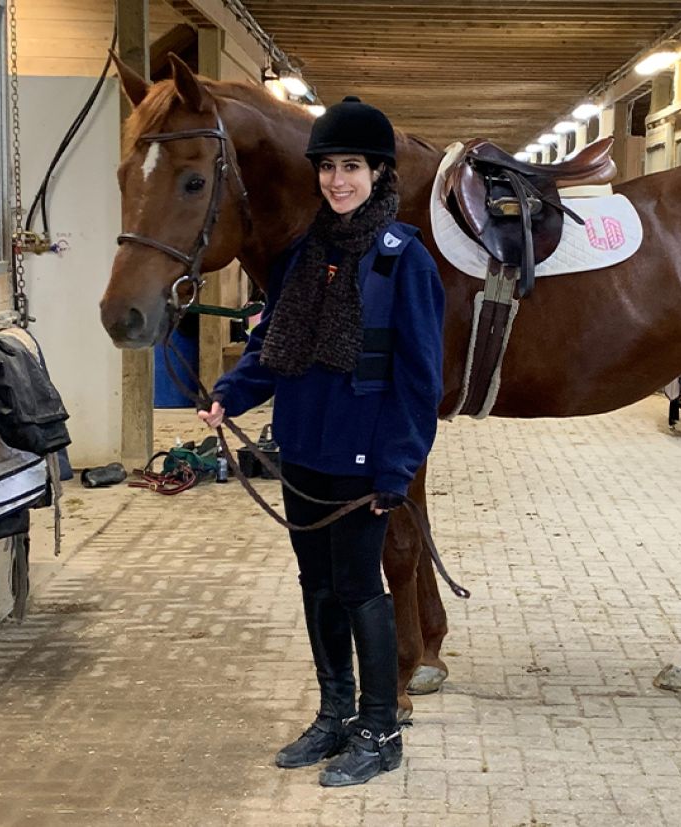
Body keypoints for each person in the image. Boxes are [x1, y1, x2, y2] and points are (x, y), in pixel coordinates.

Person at [198, 96, 445, 787]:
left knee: (362, 588)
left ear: (378, 174)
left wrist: (398, 468)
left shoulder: (405, 261)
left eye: (353, 168)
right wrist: (229, 393)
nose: (339, 180)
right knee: (317, 587)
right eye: (330, 167)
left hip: (366, 461)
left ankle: (380, 727)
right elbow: (272, 347)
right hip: (303, 451)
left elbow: (420, 382)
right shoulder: (304, 254)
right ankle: (335, 712)